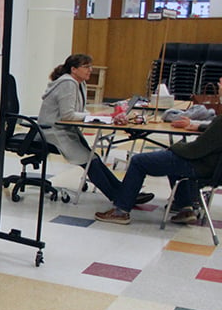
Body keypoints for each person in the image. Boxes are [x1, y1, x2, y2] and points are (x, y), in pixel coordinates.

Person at [95, 78, 222, 225]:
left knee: (139, 161)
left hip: (201, 166)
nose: (218, 86)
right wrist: (198, 127)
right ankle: (185, 208)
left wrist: (174, 148)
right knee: (172, 158)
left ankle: (121, 211)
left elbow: (195, 149)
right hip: (212, 167)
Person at [37, 53, 153, 205]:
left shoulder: (80, 83)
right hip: (52, 131)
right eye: (86, 67)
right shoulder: (67, 83)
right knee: (90, 160)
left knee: (94, 158)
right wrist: (92, 116)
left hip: (66, 130)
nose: (90, 70)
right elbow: (67, 115)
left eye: (90, 66)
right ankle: (119, 197)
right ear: (73, 69)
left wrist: (95, 115)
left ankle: (124, 192)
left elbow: (77, 112)